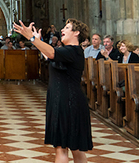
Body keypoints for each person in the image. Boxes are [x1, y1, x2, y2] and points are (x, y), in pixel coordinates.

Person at [13, 19, 92, 163]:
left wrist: (31, 38)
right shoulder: (66, 52)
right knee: (76, 149)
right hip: (64, 100)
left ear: (76, 33)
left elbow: (50, 53)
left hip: (66, 102)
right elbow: (48, 54)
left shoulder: (72, 51)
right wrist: (38, 40)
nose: (63, 29)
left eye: (67, 27)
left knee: (62, 149)